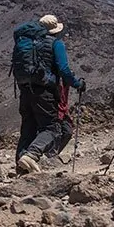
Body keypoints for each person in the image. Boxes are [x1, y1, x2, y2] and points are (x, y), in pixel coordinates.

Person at [15, 15, 86, 175]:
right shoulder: (55, 43)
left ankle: (21, 168)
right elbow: (63, 70)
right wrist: (78, 84)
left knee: (28, 129)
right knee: (52, 128)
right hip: (44, 91)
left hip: (25, 90)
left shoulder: (27, 43)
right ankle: (32, 155)